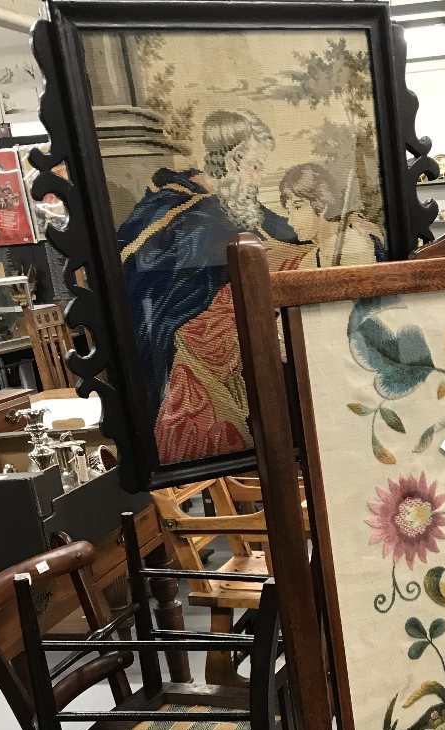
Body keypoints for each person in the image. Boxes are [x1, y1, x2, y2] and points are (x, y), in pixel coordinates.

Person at [119, 109, 304, 467]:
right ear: (232, 161)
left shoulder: (234, 203)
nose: (258, 176)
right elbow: (172, 285)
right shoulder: (186, 210)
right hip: (192, 345)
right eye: (254, 165)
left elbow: (283, 236)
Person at [278, 162, 385, 268]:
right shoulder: (308, 262)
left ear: (322, 204)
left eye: (298, 207)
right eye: (289, 211)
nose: (290, 221)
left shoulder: (355, 244)